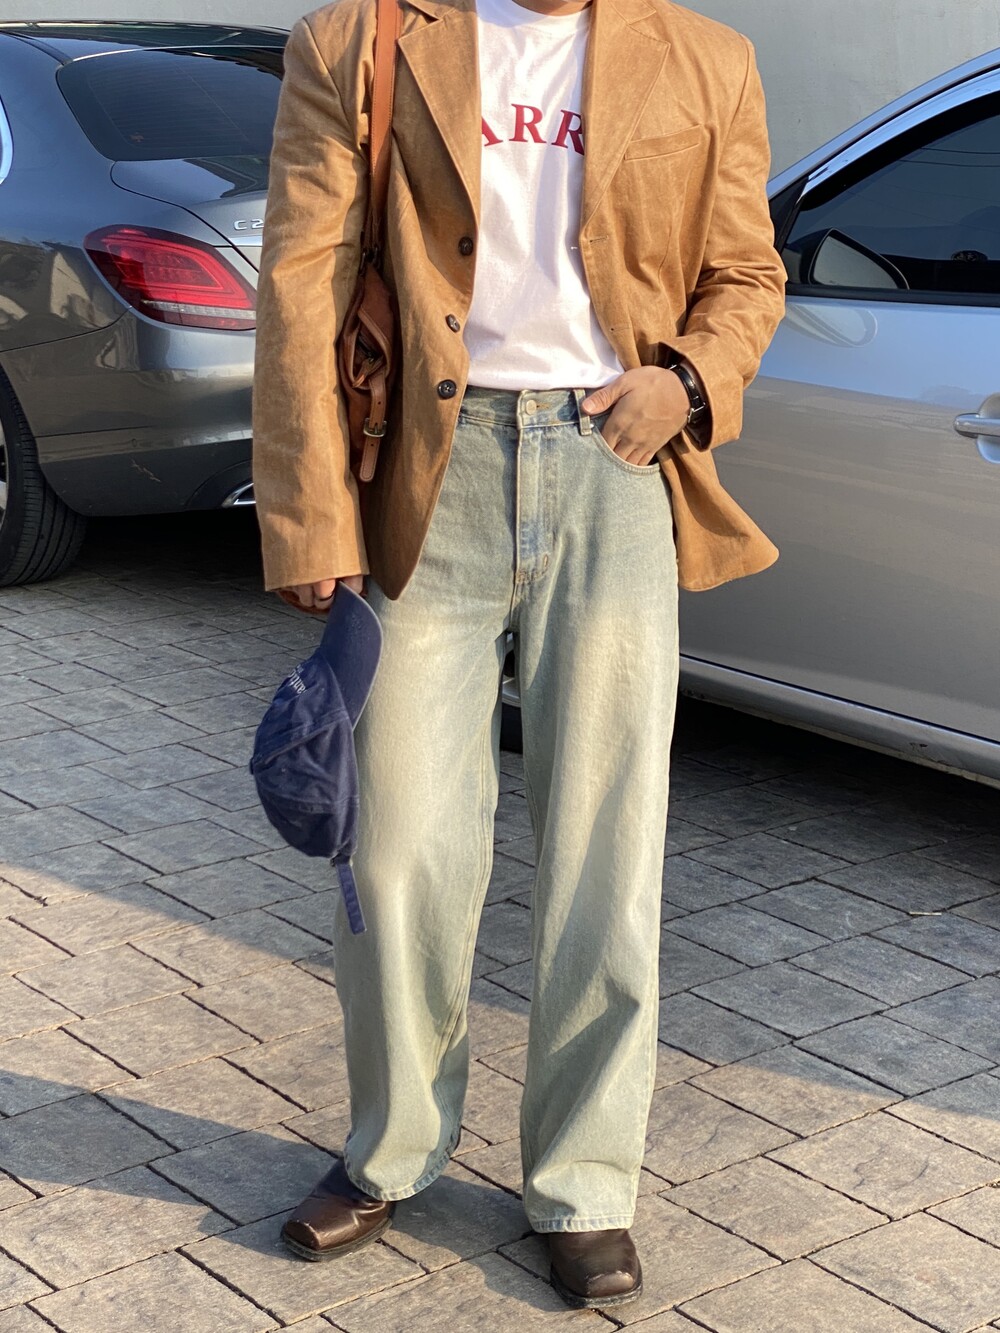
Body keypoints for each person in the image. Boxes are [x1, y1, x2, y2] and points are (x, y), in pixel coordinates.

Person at [252, 0, 785, 1309]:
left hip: (614, 466)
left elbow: (745, 272)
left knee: (609, 847)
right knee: (395, 845)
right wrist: (311, 513)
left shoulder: (708, 59)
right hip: (426, 473)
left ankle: (586, 1185)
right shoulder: (360, 39)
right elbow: (303, 276)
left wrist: (687, 383)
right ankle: (390, 1148)